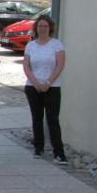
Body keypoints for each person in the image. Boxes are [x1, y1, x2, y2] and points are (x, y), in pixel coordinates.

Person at [23, 14, 68, 165]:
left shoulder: (57, 45)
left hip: (52, 87)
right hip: (33, 86)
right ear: (36, 28)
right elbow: (26, 66)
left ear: (50, 28)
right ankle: (38, 147)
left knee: (52, 119)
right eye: (40, 26)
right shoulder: (31, 45)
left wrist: (48, 82)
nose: (42, 29)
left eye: (45, 26)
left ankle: (59, 153)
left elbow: (60, 65)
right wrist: (35, 83)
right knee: (37, 118)